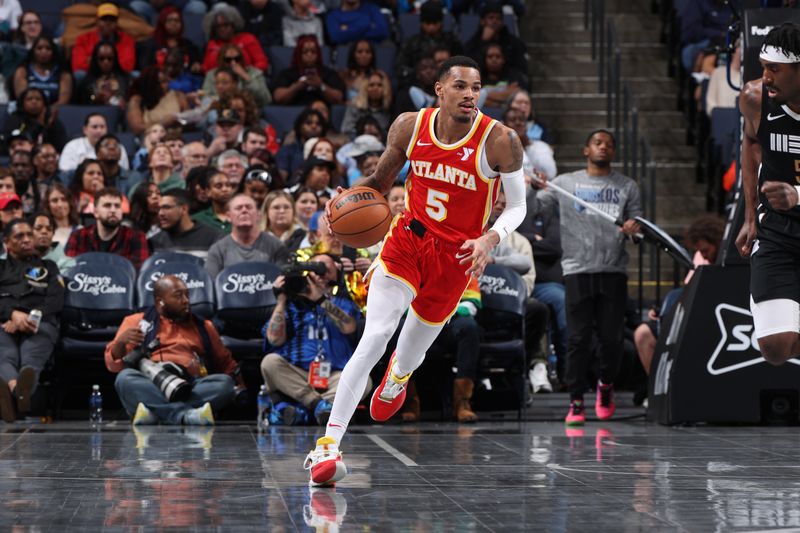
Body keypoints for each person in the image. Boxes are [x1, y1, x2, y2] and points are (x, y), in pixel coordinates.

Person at [303, 55, 527, 486]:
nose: (470, 95)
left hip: (457, 256)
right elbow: (379, 185)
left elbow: (517, 207)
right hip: (408, 240)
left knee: (409, 353)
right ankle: (327, 447)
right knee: (375, 335)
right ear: (439, 90)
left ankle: (399, 377)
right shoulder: (410, 126)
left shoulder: (500, 140)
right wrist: (345, 203)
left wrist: (488, 239)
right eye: (461, 86)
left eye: (476, 87)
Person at [535, 130, 641, 426]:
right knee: (578, 338)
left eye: (609, 144)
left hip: (612, 271)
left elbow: (638, 229)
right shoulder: (565, 183)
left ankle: (605, 385)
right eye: (598, 143)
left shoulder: (626, 186)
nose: (603, 147)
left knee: (611, 339)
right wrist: (534, 187)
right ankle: (576, 400)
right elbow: (537, 206)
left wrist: (633, 230)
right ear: (586, 150)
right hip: (577, 270)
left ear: (614, 152)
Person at [735, 23, 800, 368]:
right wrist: (749, 217)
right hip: (777, 230)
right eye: (763, 67)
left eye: (775, 69)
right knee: (775, 349)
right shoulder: (754, 97)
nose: (766, 77)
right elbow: (751, 144)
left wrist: (798, 194)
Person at [105, 275, 238, 425]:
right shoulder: (136, 322)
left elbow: (226, 363)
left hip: (190, 387)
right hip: (151, 385)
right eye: (178, 296)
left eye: (187, 294)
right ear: (160, 302)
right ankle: (184, 416)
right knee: (125, 378)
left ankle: (156, 413)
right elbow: (113, 365)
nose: (186, 300)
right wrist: (120, 342)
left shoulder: (204, 326)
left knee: (225, 383)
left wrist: (240, 389)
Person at [261, 253, 363, 426]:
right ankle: (320, 407)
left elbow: (349, 327)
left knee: (363, 380)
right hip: (298, 375)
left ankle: (301, 411)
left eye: (325, 270)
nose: (319, 274)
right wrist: (281, 300)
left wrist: (320, 299)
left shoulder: (344, 304)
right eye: (314, 269)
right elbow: (274, 340)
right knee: (269, 362)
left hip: (333, 376)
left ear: (335, 276)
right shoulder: (291, 306)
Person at [0, 218, 63, 422]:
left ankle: (11, 396)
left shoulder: (49, 267)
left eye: (29, 234)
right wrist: (11, 314)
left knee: (30, 358)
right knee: (5, 354)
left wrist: (27, 317)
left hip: (40, 322)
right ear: (7, 243)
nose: (27, 239)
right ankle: (18, 392)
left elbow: (56, 300)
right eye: (20, 236)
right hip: (4, 322)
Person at [205, 194, 289, 278]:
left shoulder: (276, 246)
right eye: (238, 208)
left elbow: (283, 283)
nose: (244, 210)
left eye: (249, 207)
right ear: (228, 216)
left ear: (258, 215)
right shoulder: (217, 250)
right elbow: (210, 285)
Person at [65, 188, 150, 270]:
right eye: (107, 205)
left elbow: (138, 272)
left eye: (117, 206)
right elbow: (69, 270)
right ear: (95, 212)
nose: (113, 210)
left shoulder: (136, 237)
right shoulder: (78, 236)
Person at [395, 0, 462, 87]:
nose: (431, 27)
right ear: (421, 23)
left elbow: (462, 64)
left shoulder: (451, 41)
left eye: (434, 23)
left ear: (441, 22)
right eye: (427, 23)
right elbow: (400, 67)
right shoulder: (412, 43)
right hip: (418, 85)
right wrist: (419, 73)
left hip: (447, 83)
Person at [271, 35, 346, 107]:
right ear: (298, 54)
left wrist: (321, 86)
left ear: (318, 54)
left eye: (313, 52)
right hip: (295, 112)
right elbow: (278, 98)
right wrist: (296, 87)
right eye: (305, 52)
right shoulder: (286, 74)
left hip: (321, 113)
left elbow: (338, 99)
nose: (309, 55)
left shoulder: (328, 73)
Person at [150, 189, 224, 259]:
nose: (160, 213)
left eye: (166, 207)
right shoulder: (155, 242)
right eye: (158, 209)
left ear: (184, 209)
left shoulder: (214, 238)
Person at [201, 4, 268, 74]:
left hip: (247, 78)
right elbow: (206, 68)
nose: (222, 29)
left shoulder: (248, 38)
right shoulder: (212, 44)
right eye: (218, 26)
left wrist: (247, 74)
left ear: (234, 25)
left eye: (226, 25)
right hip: (218, 82)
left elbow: (262, 63)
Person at [71, 3, 136, 74]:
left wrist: (93, 61)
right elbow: (78, 66)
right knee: (79, 74)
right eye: (104, 19)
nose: (108, 23)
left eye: (112, 20)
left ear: (117, 22)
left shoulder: (126, 40)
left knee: (135, 74)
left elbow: (128, 66)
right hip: (91, 76)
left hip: (117, 77)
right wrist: (112, 62)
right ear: (97, 21)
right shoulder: (83, 39)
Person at [12, 36, 72, 109]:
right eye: (39, 48)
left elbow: (63, 101)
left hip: (54, 113)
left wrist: (48, 112)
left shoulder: (63, 73)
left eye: (48, 48)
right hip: (29, 112)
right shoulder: (22, 71)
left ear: (54, 51)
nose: (44, 51)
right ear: (33, 50)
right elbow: (23, 98)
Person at [59, 113, 131, 174]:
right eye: (94, 127)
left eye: (102, 127)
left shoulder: (117, 147)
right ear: (85, 130)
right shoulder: (72, 146)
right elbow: (65, 171)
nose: (99, 131)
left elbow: (124, 171)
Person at [75, 41, 130, 106]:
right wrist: (95, 98)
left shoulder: (125, 79)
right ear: (95, 60)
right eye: (101, 58)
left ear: (115, 60)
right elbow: (84, 103)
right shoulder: (87, 82)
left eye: (109, 58)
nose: (106, 62)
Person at [325, 0, 389, 46]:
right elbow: (337, 37)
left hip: (374, 54)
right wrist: (367, 25)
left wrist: (348, 28)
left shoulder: (373, 9)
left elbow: (383, 32)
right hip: (345, 56)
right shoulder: (333, 16)